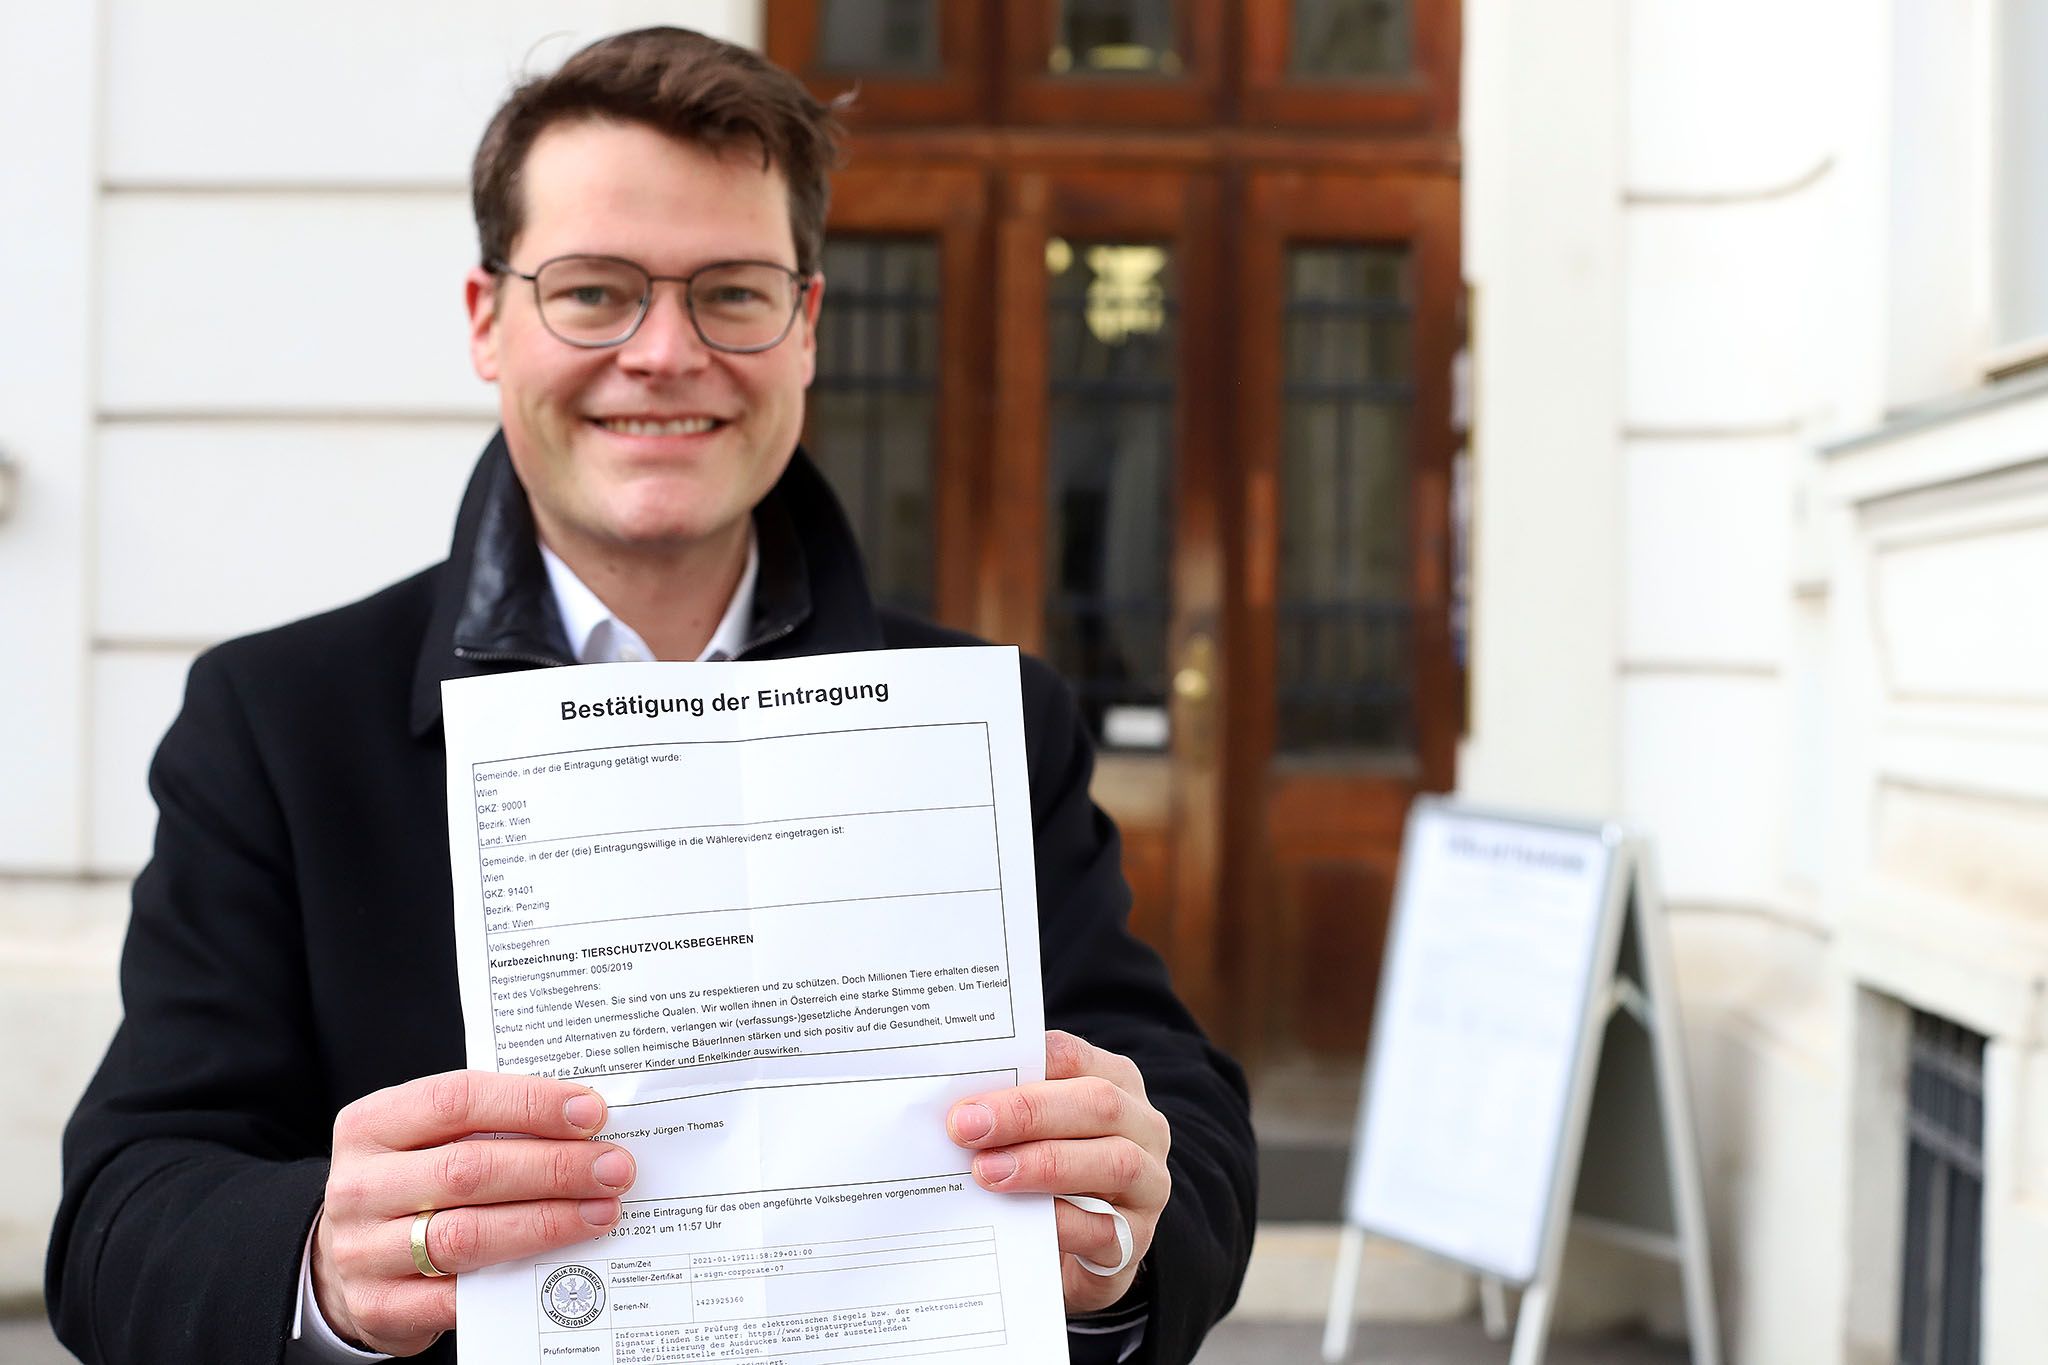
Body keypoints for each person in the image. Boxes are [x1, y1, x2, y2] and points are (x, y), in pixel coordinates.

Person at [45, 25, 1255, 1365]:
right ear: (486, 323)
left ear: (806, 327)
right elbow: (119, 1219)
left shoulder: (987, 724)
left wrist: (1123, 1225)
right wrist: (319, 1262)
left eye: (731, 292)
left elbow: (1183, 1122)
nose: (665, 351)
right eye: (594, 290)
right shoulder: (275, 725)